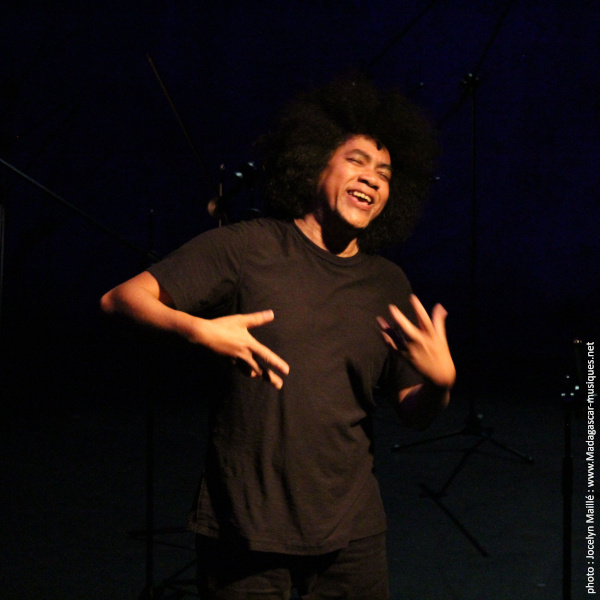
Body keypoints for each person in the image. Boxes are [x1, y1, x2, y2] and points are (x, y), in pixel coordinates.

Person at [100, 76, 455, 600]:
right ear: (315, 166)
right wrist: (199, 329)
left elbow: (414, 411)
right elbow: (121, 299)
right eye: (357, 161)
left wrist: (441, 382)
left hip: (351, 533)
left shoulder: (388, 282)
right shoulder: (248, 247)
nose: (373, 179)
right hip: (247, 527)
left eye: (384, 172)